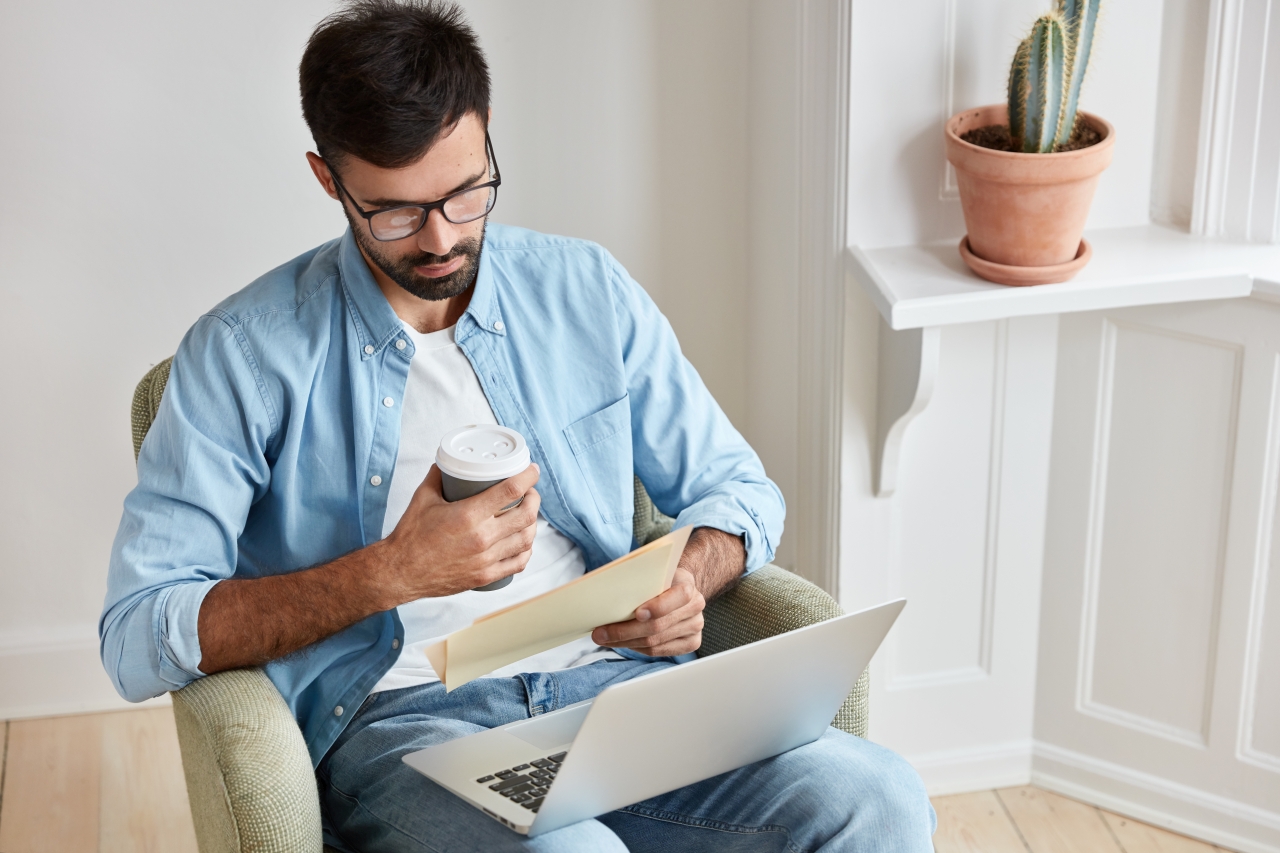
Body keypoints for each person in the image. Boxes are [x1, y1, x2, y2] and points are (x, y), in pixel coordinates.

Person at [100, 1, 935, 850]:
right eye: (394, 210)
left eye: (466, 193)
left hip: (620, 696)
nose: (440, 238)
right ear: (328, 180)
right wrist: (389, 573)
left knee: (878, 796)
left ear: (488, 132)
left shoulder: (585, 291)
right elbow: (137, 632)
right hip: (410, 728)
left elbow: (739, 489)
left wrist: (689, 574)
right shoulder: (242, 355)